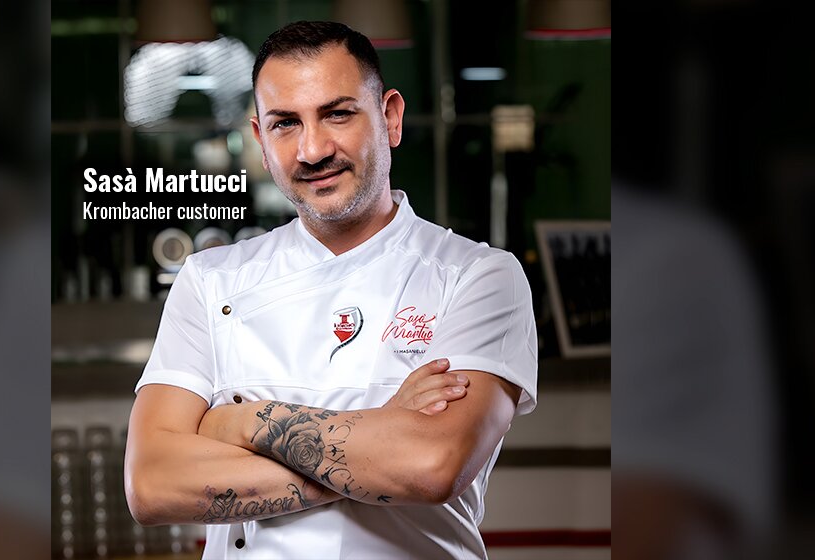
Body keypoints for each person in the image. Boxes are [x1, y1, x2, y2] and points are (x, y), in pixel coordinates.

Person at [125, 21, 537, 559]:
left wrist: (242, 422)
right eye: (285, 124)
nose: (313, 149)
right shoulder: (209, 281)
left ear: (390, 117)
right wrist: (382, 438)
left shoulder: (478, 276)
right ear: (260, 140)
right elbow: (153, 484)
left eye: (337, 114)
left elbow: (432, 466)